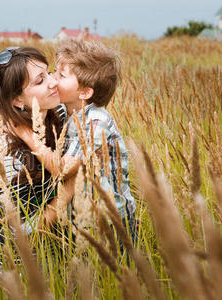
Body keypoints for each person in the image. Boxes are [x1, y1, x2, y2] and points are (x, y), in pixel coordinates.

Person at [13, 39, 137, 240]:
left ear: (85, 92)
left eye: (61, 75)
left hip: (112, 222)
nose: (52, 80)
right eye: (54, 71)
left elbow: (63, 169)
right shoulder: (67, 113)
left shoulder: (97, 121)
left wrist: (27, 135)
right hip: (81, 218)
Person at [0, 46, 66, 265]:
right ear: (17, 100)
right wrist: (71, 189)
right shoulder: (7, 153)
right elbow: (23, 231)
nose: (53, 82)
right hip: (17, 267)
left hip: (57, 257)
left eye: (49, 73)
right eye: (40, 81)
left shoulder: (60, 113)